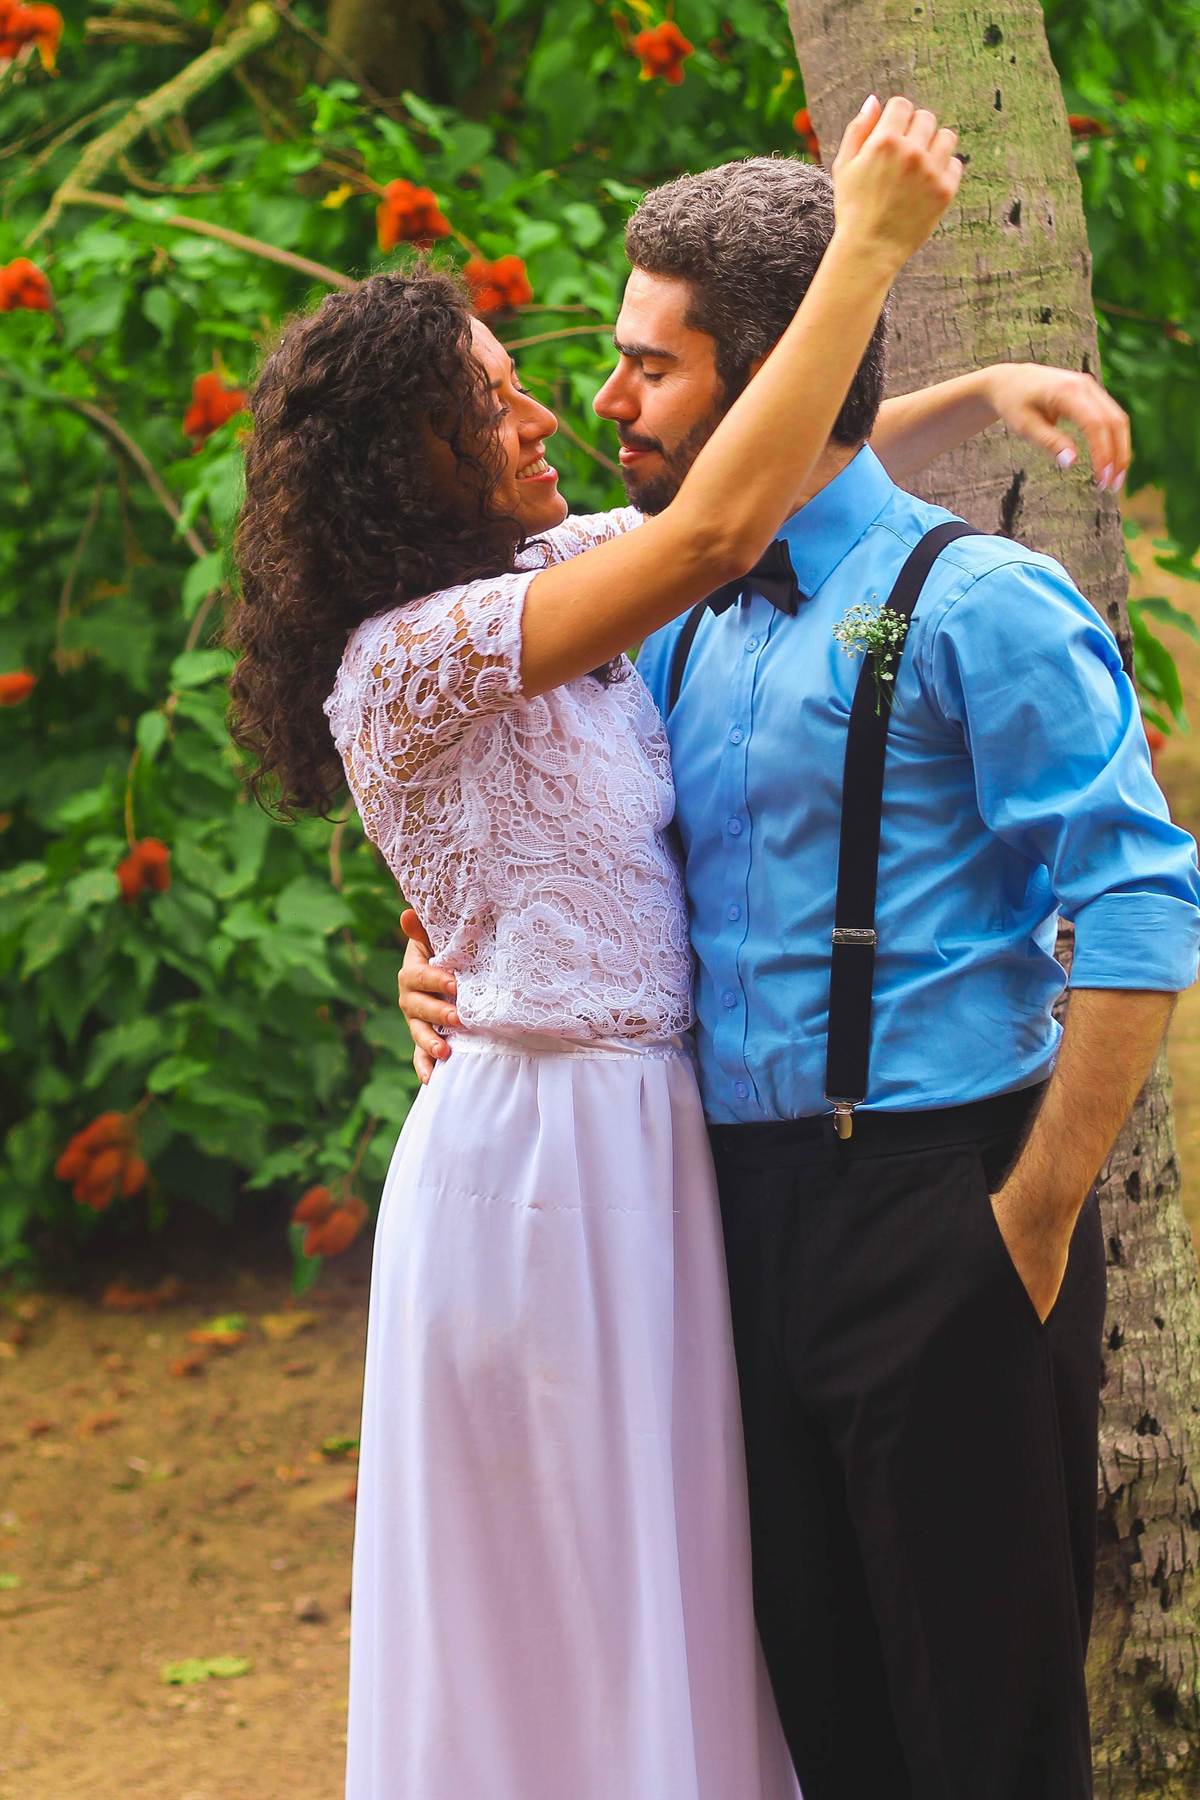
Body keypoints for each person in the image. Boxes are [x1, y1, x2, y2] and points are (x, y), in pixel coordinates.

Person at [398, 155, 1200, 1797]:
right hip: (716, 1231)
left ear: (772, 371)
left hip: (943, 1204)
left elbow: (1139, 910)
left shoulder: (984, 603)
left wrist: (1032, 1217)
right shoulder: (661, 613)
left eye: (654, 363)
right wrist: (442, 955)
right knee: (810, 1724)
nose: (605, 395)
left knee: (987, 1740)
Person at [226, 96, 963, 1800]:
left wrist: (972, 394)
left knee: (673, 1588)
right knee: (568, 1601)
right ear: (406, 460)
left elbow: (760, 487)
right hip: (545, 1167)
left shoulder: (538, 567)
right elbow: (710, 537)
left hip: (642, 1138)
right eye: (496, 401)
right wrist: (866, 245)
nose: (548, 408)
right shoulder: (413, 651)